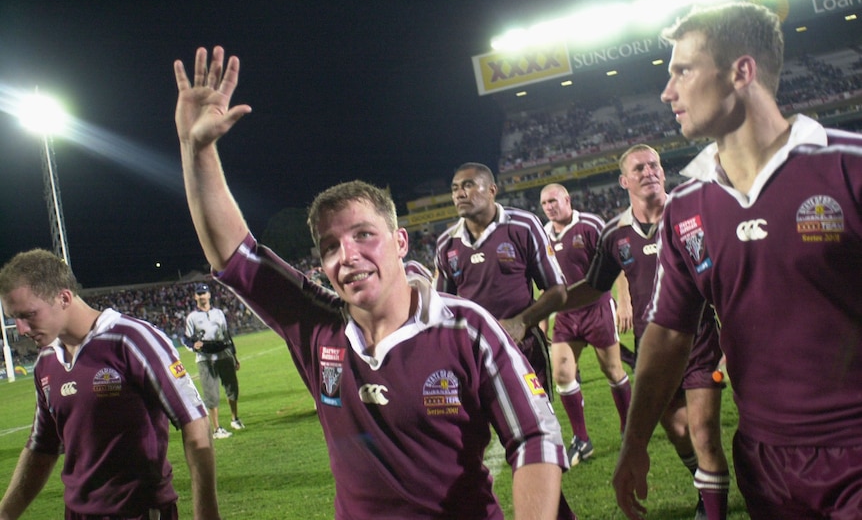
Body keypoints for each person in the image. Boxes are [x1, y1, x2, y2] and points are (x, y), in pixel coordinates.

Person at [174, 45, 573, 520]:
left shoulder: (467, 328)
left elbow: (534, 437)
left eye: (364, 235)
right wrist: (196, 150)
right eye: (329, 246)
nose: (349, 256)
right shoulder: (316, 326)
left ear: (400, 242)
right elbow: (235, 255)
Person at [613, 1, 862, 520]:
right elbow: (667, 335)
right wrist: (634, 441)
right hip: (765, 465)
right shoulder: (688, 204)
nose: (667, 92)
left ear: (740, 72)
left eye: (682, 71)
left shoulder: (848, 168)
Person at [566, 144, 729, 520]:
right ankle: (705, 487)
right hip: (653, 351)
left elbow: (725, 275)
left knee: (704, 435)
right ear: (624, 180)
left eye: (654, 165)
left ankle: (712, 508)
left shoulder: (693, 215)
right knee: (677, 431)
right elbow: (596, 284)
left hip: (700, 342)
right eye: (638, 168)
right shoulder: (615, 234)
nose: (649, 172)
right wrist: (547, 306)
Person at [0, 249, 220, 520]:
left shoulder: (133, 340)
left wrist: (207, 512)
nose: (20, 329)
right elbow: (42, 446)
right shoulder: (46, 361)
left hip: (138, 512)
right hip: (76, 514)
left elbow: (194, 422)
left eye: (28, 315)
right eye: (14, 318)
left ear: (64, 297)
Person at [434, 162, 567, 397]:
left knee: (539, 426)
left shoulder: (523, 226)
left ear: (492, 190)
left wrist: (521, 322)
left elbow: (557, 290)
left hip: (523, 346)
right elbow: (440, 307)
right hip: (474, 352)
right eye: (455, 189)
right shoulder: (446, 243)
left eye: (468, 185)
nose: (459, 194)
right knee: (478, 431)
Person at [538, 183, 631, 467]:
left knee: (613, 370)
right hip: (566, 314)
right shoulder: (542, 234)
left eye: (554, 201)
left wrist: (624, 303)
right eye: (544, 204)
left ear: (567, 199)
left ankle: (630, 430)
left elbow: (617, 266)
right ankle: (582, 439)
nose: (550, 207)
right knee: (562, 373)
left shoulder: (590, 225)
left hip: (597, 308)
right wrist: (542, 325)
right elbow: (544, 283)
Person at [183, 282, 244, 439]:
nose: (202, 296)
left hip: (224, 355)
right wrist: (193, 346)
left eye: (204, 293)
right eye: (199, 294)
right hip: (205, 359)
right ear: (195, 297)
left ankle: (234, 419)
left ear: (209, 295)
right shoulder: (192, 317)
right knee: (211, 394)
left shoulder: (218, 313)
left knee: (232, 388)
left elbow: (226, 335)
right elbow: (187, 338)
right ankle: (217, 429)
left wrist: (234, 356)